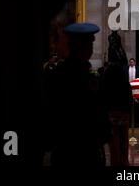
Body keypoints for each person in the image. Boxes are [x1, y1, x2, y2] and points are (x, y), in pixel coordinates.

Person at [45, 22, 111, 167]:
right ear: (81, 47)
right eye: (89, 45)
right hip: (81, 150)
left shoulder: (57, 74)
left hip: (65, 150)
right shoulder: (82, 76)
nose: (91, 49)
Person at [101, 62, 133, 166]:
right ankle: (124, 161)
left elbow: (104, 99)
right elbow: (129, 100)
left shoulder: (107, 84)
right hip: (123, 114)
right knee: (124, 140)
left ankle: (116, 161)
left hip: (112, 114)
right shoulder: (125, 84)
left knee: (114, 141)